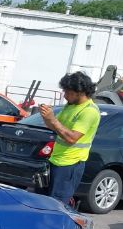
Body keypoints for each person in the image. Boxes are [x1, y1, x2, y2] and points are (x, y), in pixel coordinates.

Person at [39, 72, 101, 206]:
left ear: (79, 92)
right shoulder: (70, 106)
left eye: (68, 91)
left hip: (70, 165)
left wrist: (53, 120)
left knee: (58, 204)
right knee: (44, 201)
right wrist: (46, 116)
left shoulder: (89, 111)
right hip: (55, 160)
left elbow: (72, 138)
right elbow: (54, 127)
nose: (64, 95)